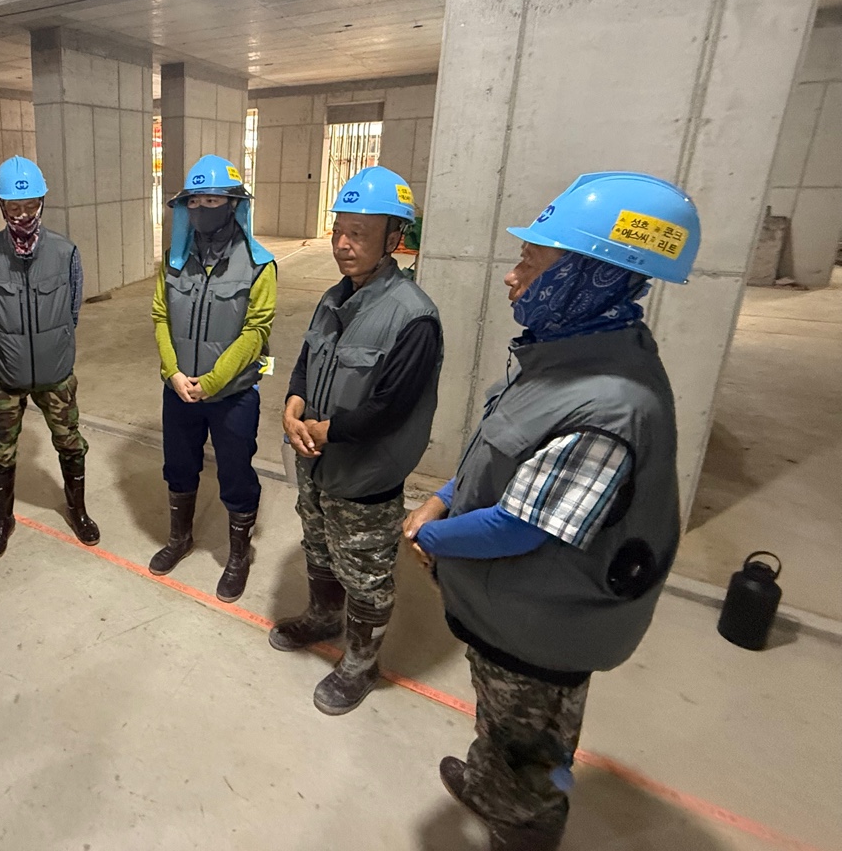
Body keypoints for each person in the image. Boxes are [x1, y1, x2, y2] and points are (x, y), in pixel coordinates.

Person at [404, 172, 700, 851]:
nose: (512, 278)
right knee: (503, 724)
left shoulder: (612, 405)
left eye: (530, 264)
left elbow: (517, 525)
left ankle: (525, 823)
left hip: (544, 624)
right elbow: (501, 450)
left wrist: (430, 536)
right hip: (515, 608)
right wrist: (444, 494)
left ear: (591, 277)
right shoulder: (570, 355)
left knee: (529, 740)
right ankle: (492, 782)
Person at [272, 166, 442, 715]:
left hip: (365, 472)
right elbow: (307, 361)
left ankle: (361, 663)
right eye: (339, 230)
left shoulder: (413, 317)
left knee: (365, 572)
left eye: (359, 234)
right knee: (319, 545)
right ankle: (324, 616)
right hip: (315, 461)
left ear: (394, 239)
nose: (343, 244)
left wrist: (326, 431)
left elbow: (391, 408)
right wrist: (293, 405)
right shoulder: (332, 297)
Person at [148, 155, 276, 602]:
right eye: (196, 202)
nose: (203, 209)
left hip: (233, 395)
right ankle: (180, 538)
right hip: (179, 390)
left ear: (234, 204)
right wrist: (173, 373)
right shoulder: (174, 260)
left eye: (213, 201)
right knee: (179, 467)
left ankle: (239, 556)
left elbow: (256, 330)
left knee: (236, 474)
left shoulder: (259, 264)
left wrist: (214, 381)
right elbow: (161, 316)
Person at [0, 156, 97, 559]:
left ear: (42, 202)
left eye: (30, 205)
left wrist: (49, 344)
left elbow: (72, 310)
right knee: (1, 450)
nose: (23, 214)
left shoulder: (64, 251)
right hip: (5, 374)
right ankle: (2, 521)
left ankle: (78, 511)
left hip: (55, 372)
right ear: (1, 205)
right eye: (14, 205)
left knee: (70, 442)